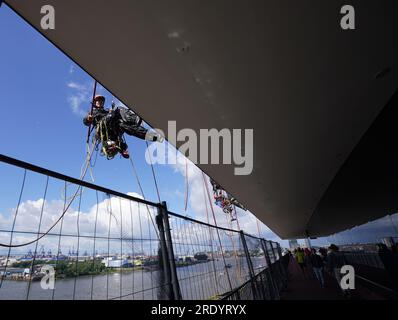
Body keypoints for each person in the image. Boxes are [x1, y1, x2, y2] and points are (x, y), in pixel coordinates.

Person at [83, 95, 163, 159]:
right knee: (116, 112)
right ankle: (112, 144)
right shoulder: (92, 112)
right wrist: (88, 119)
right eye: (97, 101)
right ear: (94, 102)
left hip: (114, 128)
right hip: (104, 128)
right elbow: (86, 122)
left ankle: (153, 136)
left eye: (101, 101)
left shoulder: (106, 111)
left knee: (125, 125)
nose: (100, 102)